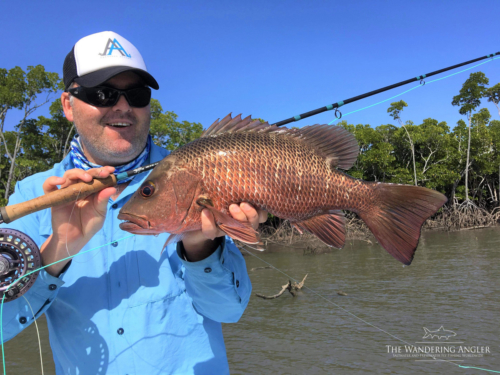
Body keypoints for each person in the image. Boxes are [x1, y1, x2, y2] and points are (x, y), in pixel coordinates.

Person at [1, 31, 266, 374]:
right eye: (103, 93)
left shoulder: (199, 177)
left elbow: (228, 311)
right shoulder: (33, 196)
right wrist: (58, 250)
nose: (123, 106)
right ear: (68, 104)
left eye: (136, 94)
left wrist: (201, 246)